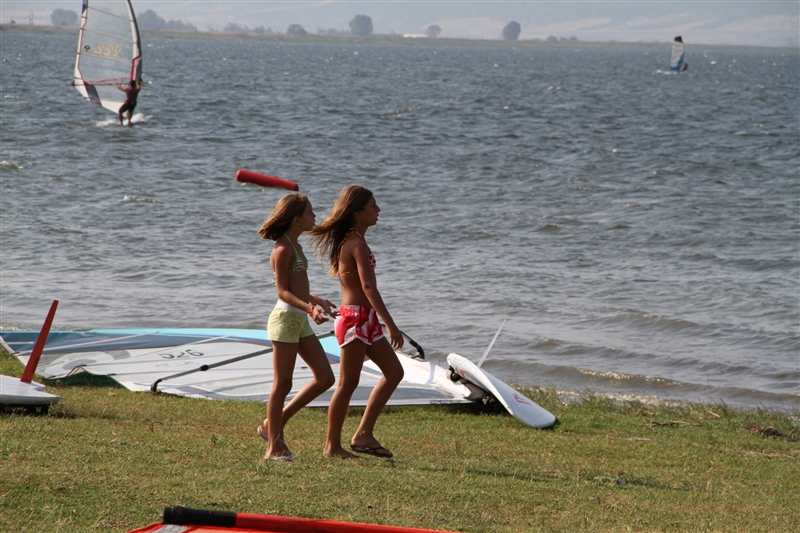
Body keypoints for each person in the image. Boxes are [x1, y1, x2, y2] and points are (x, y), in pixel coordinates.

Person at [310, 185, 404, 459]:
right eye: (373, 206)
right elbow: (368, 288)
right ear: (358, 212)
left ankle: (363, 434)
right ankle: (331, 447)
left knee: (394, 372)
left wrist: (380, 321)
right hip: (355, 320)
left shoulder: (354, 239)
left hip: (366, 320)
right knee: (347, 384)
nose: (379, 210)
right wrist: (391, 324)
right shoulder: (355, 243)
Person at [257, 193, 338, 462]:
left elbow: (298, 289)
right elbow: (282, 292)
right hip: (285, 321)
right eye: (310, 212)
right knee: (283, 384)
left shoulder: (296, 245)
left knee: (326, 378)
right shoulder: (283, 249)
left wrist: (317, 300)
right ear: (296, 219)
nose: (315, 216)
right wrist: (309, 308)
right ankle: (273, 447)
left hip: (299, 320)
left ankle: (272, 426)